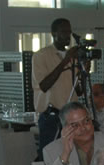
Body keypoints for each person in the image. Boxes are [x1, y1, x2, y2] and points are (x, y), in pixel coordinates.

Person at [32, 18, 82, 155]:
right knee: (48, 154)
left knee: (71, 153)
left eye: (69, 31)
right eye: (64, 31)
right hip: (52, 116)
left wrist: (83, 72)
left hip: (71, 116)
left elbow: (79, 90)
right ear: (53, 33)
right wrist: (66, 61)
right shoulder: (41, 55)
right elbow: (44, 85)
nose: (68, 35)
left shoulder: (74, 57)